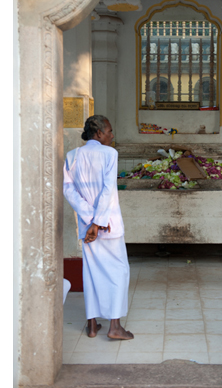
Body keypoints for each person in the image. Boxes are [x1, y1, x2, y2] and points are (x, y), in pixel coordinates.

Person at [63, 115, 134, 339]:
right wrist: (98, 221)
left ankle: (92, 326)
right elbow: (108, 190)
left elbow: (68, 189)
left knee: (91, 273)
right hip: (108, 225)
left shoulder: (72, 155)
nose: (112, 136)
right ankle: (114, 326)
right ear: (99, 133)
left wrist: (88, 218)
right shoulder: (109, 154)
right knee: (119, 272)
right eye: (110, 131)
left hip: (87, 227)